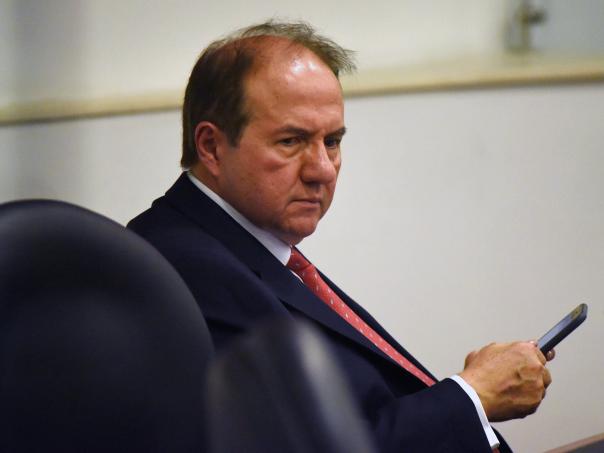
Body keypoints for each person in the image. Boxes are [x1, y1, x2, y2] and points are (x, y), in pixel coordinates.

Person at [128, 21, 553, 452]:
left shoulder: (248, 248)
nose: (322, 170)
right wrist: (473, 394)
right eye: (291, 141)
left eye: (331, 141)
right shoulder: (183, 266)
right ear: (212, 147)